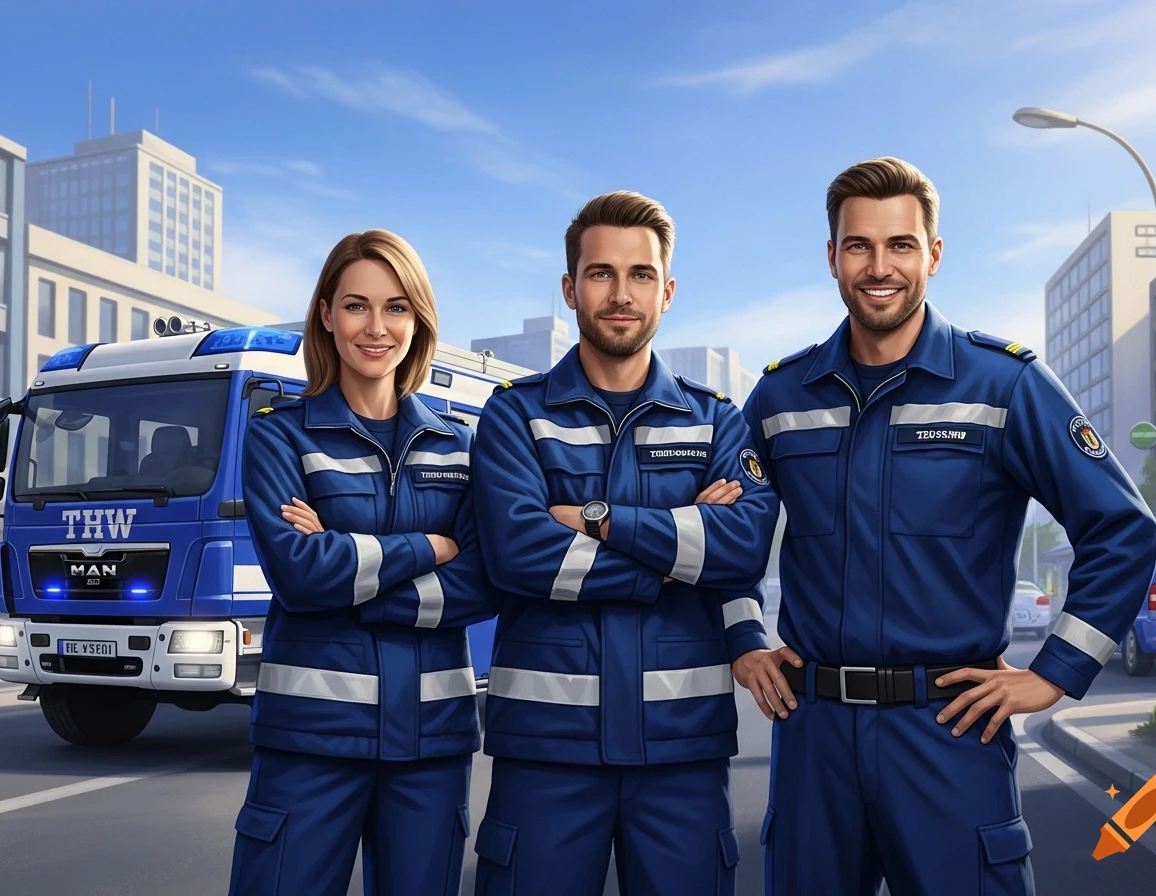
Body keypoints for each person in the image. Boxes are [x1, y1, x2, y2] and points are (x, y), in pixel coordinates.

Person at [738, 157, 1156, 895]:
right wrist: (744, 638)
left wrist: (1055, 673)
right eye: (859, 245)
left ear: (933, 253)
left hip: (951, 730)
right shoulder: (780, 394)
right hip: (814, 738)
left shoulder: (1005, 385)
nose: (879, 266)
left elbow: (1122, 529)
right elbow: (726, 534)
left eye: (900, 245)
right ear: (833, 256)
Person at [468, 190, 780, 896]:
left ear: (666, 291)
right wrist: (675, 561)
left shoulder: (716, 420)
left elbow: (739, 551)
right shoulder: (515, 415)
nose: (620, 293)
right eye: (601, 273)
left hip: (682, 752)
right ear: (570, 287)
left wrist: (600, 519)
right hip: (546, 752)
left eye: (640, 275)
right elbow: (519, 554)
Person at [227, 230, 495, 896]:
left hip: (431, 745)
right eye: (357, 306)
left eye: (397, 307)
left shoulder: (462, 446)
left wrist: (346, 574)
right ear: (325, 313)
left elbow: (485, 580)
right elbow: (298, 573)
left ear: (418, 320)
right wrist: (427, 548)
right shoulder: (278, 435)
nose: (377, 327)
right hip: (309, 741)